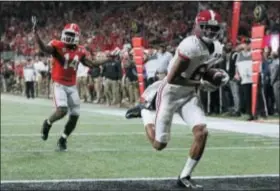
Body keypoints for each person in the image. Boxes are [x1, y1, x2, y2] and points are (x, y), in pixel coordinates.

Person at [125, 10, 229, 188]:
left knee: (201, 132)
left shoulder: (218, 48)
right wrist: (200, 82)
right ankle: (144, 112)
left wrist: (215, 76)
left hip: (189, 95)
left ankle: (184, 176)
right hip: (170, 93)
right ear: (198, 26)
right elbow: (172, 77)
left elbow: (202, 70)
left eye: (214, 28)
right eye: (206, 27)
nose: (210, 32)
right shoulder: (190, 45)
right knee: (159, 144)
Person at [33, 22, 108, 151]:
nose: (67, 37)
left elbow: (92, 64)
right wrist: (36, 35)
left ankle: (63, 139)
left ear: (77, 37)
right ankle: (47, 123)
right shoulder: (57, 45)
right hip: (59, 84)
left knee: (75, 115)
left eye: (70, 35)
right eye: (66, 34)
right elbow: (44, 49)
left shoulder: (80, 50)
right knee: (62, 110)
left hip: (72, 86)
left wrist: (108, 58)